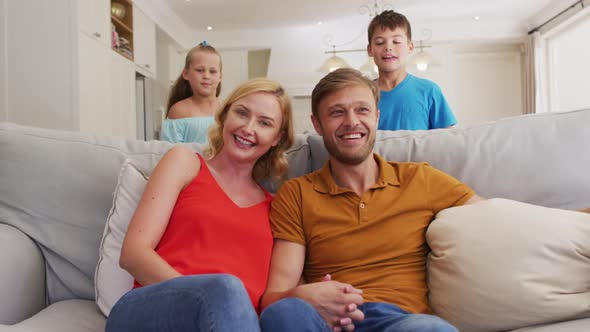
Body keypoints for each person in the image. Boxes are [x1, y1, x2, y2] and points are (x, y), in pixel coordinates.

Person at [258, 68, 481, 332]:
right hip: (326, 322)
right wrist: (301, 295)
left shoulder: (419, 178)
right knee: (283, 312)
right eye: (337, 112)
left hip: (401, 322)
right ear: (317, 124)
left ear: (377, 117)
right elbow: (273, 299)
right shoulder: (296, 194)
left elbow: (493, 216)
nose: (351, 122)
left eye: (362, 110)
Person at [106, 78, 294, 332]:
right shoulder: (184, 163)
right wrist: (201, 298)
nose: (248, 128)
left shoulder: (277, 208)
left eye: (264, 123)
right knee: (225, 288)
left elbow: (278, 295)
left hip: (232, 325)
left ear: (276, 138)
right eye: (241, 113)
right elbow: (133, 254)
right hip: (153, 311)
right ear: (225, 116)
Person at [367, 10, 457, 131]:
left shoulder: (429, 90)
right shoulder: (363, 94)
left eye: (396, 42)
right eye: (380, 42)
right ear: (370, 50)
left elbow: (448, 139)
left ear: (410, 47)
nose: (388, 47)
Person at [160, 41, 222, 144]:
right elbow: (169, 152)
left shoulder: (227, 109)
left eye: (212, 71)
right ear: (186, 74)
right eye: (200, 70)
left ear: (220, 76)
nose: (206, 76)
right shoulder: (179, 111)